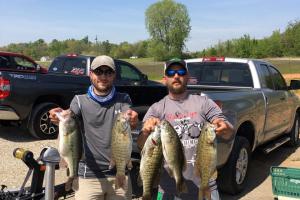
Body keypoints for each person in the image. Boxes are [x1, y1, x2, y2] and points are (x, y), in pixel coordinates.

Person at [137, 59, 234, 200]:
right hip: (169, 190)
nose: (176, 76)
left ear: (187, 76)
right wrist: (145, 131)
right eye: (171, 72)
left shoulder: (204, 102)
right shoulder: (156, 109)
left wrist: (225, 127)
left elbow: (229, 132)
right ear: (165, 79)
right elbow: (141, 145)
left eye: (181, 72)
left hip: (205, 185)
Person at [49, 55, 138, 200]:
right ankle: (73, 177)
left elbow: (129, 117)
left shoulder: (124, 99)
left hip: (118, 173)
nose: (103, 76)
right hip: (88, 175)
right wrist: (58, 116)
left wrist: (133, 119)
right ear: (91, 75)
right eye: (99, 72)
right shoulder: (79, 100)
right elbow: (70, 115)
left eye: (108, 72)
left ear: (114, 75)